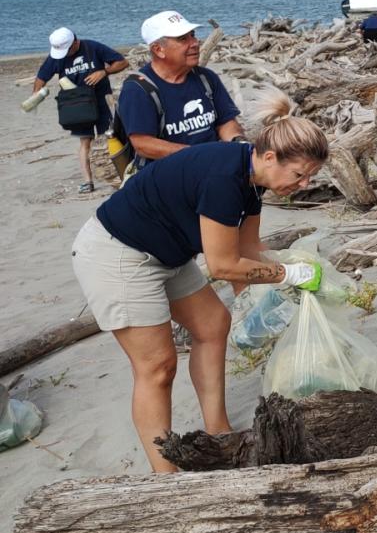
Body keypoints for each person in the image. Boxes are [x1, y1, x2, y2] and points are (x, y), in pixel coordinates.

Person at [70, 89, 328, 472]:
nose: (304, 184)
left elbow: (250, 250)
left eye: (310, 177)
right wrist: (287, 273)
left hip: (165, 252)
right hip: (118, 253)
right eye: (299, 175)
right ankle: (166, 474)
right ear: (270, 157)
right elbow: (223, 265)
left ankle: (219, 431)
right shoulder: (225, 178)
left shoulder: (253, 180)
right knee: (158, 366)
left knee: (213, 323)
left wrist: (275, 297)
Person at [118, 12, 243, 168]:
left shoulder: (206, 78)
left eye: (193, 35)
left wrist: (237, 143)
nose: (195, 43)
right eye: (183, 39)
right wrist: (197, 156)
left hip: (209, 169)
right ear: (158, 50)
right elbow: (143, 144)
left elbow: (226, 122)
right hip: (164, 177)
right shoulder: (138, 89)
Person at [32, 27, 129, 194]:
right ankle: (88, 181)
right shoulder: (57, 57)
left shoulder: (92, 47)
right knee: (85, 141)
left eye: (66, 50)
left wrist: (103, 72)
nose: (64, 54)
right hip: (77, 105)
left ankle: (124, 174)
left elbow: (122, 62)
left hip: (101, 100)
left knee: (113, 136)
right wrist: (36, 95)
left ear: (75, 42)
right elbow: (41, 77)